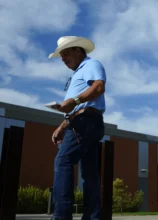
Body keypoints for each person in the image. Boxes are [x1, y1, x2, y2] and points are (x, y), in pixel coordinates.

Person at [48, 36, 106, 220]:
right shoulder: (77, 74)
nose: (63, 59)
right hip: (85, 121)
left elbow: (99, 87)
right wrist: (63, 126)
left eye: (65, 53)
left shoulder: (91, 64)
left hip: (86, 121)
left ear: (79, 51)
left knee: (63, 161)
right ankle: (92, 217)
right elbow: (76, 107)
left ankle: (61, 216)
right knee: (89, 172)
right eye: (61, 56)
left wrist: (75, 100)